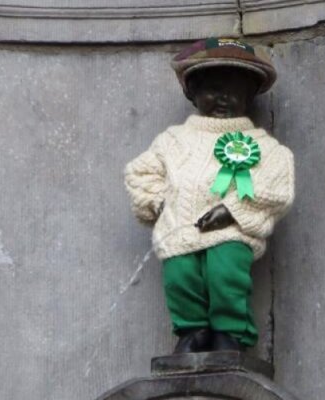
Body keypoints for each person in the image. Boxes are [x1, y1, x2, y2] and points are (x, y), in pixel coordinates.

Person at [124, 37, 295, 353]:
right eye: (212, 89)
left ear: (249, 96)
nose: (223, 98)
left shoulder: (262, 146)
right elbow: (141, 172)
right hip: (179, 230)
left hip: (230, 233)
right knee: (179, 277)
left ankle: (231, 334)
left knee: (225, 276)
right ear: (193, 94)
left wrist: (232, 209)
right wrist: (158, 201)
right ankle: (192, 332)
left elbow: (276, 187)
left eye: (234, 91)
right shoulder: (173, 140)